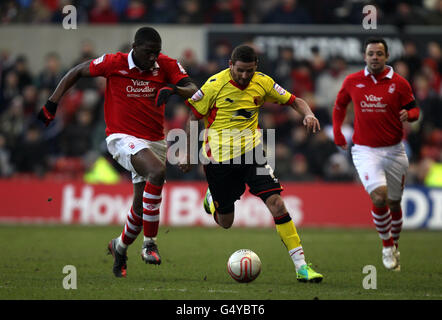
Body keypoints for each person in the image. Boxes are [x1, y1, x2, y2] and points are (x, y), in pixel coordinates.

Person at [37, 27, 198, 277]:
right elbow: (76, 72)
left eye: (157, 53)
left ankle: (119, 247)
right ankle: (150, 244)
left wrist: (174, 89)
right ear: (134, 47)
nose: (153, 58)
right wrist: (51, 103)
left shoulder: (165, 64)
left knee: (141, 207)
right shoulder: (114, 62)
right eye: (148, 52)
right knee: (157, 171)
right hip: (122, 137)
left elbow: (196, 92)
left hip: (154, 140)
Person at [180, 45, 323, 283]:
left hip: (253, 154)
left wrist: (308, 113)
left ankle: (301, 267)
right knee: (226, 222)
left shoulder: (263, 82)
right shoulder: (214, 85)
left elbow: (295, 100)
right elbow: (193, 116)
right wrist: (186, 152)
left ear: (256, 67)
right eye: (240, 71)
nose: (245, 76)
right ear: (230, 65)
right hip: (219, 160)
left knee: (277, 203)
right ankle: (212, 200)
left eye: (249, 71)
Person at [332, 37, 420, 271]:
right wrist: (339, 134)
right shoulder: (353, 81)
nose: (375, 57)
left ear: (386, 56)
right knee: (379, 197)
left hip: (394, 151)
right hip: (365, 150)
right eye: (371, 53)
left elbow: (414, 109)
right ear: (364, 56)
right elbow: (339, 105)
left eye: (379, 53)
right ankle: (387, 246)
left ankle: (395, 244)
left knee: (394, 202)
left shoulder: (400, 83)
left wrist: (409, 116)